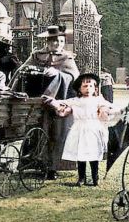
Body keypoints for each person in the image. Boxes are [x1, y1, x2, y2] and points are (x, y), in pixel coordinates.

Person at [11, 25, 80, 180]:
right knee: (34, 132)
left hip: (57, 105)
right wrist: (35, 72)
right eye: (54, 41)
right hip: (37, 103)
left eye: (60, 41)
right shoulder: (36, 55)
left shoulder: (67, 58)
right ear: (48, 41)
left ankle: (52, 168)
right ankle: (30, 164)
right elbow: (21, 71)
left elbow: (75, 77)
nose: (57, 44)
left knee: (56, 134)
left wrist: (59, 75)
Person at [43, 73, 121, 186]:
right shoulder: (76, 101)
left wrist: (109, 111)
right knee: (81, 154)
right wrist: (53, 102)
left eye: (91, 86)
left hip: (94, 129)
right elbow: (63, 105)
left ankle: (95, 178)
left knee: (93, 155)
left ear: (95, 88)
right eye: (85, 86)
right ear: (79, 88)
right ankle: (81, 178)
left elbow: (110, 107)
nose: (88, 89)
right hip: (79, 129)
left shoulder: (98, 100)